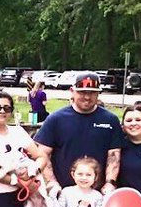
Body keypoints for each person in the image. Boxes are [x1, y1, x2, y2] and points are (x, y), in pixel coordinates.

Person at [34, 71, 122, 199]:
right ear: (72, 91)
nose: (87, 97)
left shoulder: (110, 120)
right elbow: (42, 154)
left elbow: (114, 155)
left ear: (98, 93)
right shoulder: (55, 119)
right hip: (62, 193)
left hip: (98, 195)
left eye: (92, 92)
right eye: (82, 92)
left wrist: (110, 183)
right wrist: (52, 183)